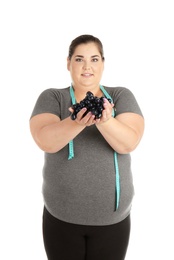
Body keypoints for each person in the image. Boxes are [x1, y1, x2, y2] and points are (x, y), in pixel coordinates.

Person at [29, 34, 144, 260]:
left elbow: (129, 142)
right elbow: (45, 140)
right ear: (68, 63)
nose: (87, 66)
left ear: (103, 63)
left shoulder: (121, 96)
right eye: (79, 59)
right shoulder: (53, 97)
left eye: (94, 59)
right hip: (61, 217)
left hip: (112, 220)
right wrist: (76, 122)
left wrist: (106, 121)